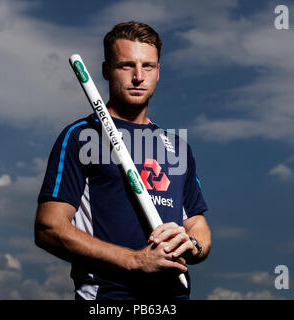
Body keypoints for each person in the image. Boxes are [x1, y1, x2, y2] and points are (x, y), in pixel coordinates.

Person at [35, 21, 211, 300]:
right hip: (109, 298)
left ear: (158, 72)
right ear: (106, 70)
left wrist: (190, 244)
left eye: (148, 66)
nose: (138, 76)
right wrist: (134, 261)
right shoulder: (81, 137)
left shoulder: (177, 147)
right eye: (126, 65)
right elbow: (49, 228)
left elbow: (199, 229)